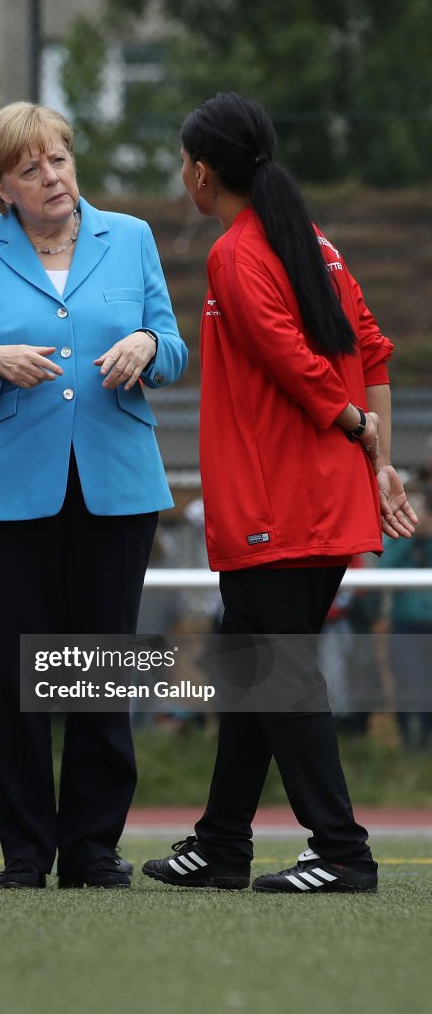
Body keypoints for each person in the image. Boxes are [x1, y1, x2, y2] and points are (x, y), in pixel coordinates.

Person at [142, 92, 417, 896]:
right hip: (329, 497)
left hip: (273, 505)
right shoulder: (316, 244)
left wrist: (349, 422)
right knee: (255, 666)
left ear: (200, 171)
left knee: (280, 670)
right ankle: (221, 842)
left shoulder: (236, 252)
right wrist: (379, 459)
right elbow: (372, 349)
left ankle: (341, 850)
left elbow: (292, 359)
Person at [0, 101, 187, 888]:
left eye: (60, 161)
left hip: (115, 484)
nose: (52, 178)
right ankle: (28, 851)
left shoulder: (131, 237)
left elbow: (172, 348)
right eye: (30, 168)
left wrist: (147, 343)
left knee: (100, 670)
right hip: (5, 489)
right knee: (17, 677)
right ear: (0, 184)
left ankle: (93, 847)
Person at [379, 487, 432, 749]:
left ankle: (426, 740)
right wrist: (410, 536)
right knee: (407, 682)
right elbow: (383, 567)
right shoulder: (400, 536)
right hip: (405, 625)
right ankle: (408, 742)